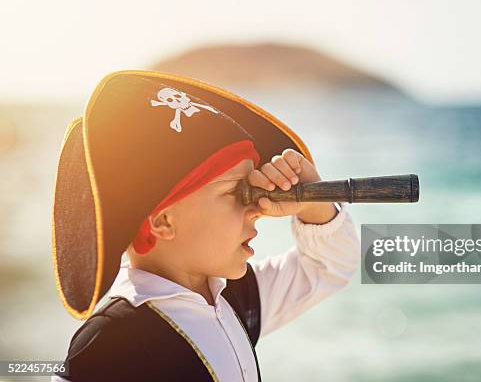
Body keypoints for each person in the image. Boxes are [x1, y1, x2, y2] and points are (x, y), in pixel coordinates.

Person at [50, 70, 360, 381]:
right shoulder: (108, 344)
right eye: (235, 193)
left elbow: (330, 265)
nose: (256, 209)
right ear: (163, 221)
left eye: (254, 191)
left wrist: (312, 201)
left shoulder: (235, 299)